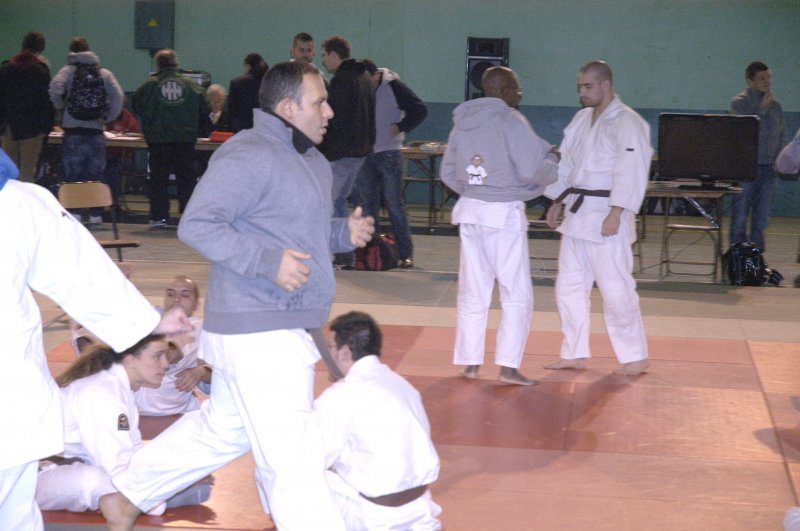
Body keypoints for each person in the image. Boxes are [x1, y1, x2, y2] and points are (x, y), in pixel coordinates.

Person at [100, 61, 374, 531]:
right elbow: (198, 224)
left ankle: (127, 494)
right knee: (293, 459)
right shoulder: (249, 153)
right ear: (288, 107)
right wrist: (266, 262)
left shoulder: (311, 160)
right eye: (319, 102)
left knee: (224, 430)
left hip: (279, 322)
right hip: (259, 327)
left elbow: (295, 232)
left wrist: (341, 233)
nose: (329, 111)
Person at [0, 146, 190, 531]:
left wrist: (147, 326)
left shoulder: (14, 203)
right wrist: (146, 325)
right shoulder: (16, 204)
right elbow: (78, 269)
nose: (163, 364)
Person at [441, 66, 558, 386]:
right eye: (517, 89)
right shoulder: (510, 120)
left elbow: (448, 172)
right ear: (505, 90)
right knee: (515, 292)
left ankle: (470, 363)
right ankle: (508, 367)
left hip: (469, 212)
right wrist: (553, 167)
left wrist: (475, 191)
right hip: (502, 214)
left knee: (473, 290)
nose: (519, 95)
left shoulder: (461, 123)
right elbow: (532, 169)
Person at [543, 60, 651, 375]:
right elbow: (566, 164)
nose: (582, 92)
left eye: (588, 86)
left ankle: (635, 355)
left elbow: (632, 170)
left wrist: (617, 211)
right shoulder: (580, 119)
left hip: (607, 213)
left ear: (606, 84)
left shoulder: (627, 122)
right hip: (577, 214)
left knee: (615, 289)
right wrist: (557, 200)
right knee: (568, 288)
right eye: (580, 87)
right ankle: (574, 352)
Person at [35, 336, 211, 514]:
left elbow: (134, 453)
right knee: (97, 482)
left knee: (141, 467)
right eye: (157, 356)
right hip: (30, 477)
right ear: (131, 360)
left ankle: (161, 495)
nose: (165, 364)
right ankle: (164, 499)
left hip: (65, 467)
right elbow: (115, 469)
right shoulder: (102, 393)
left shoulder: (122, 390)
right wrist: (173, 484)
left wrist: (177, 472)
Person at [316, 311, 442, 530]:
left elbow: (312, 458)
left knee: (296, 469)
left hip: (373, 516)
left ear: (345, 352)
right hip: (420, 508)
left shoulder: (341, 395)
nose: (327, 355)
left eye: (330, 347)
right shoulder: (402, 384)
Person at [354, 59, 428, 268]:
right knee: (367, 205)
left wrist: (401, 126)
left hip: (389, 152)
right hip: (366, 153)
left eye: (366, 81)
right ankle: (371, 253)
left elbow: (420, 109)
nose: (364, 86)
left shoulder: (394, 86)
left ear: (375, 75)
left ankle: (405, 254)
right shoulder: (362, 89)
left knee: (394, 204)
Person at [131, 48, 211, 230]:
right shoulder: (190, 84)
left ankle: (159, 217)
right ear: (176, 63)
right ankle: (188, 216)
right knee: (187, 180)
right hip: (185, 139)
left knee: (159, 180)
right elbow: (206, 106)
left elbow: (136, 104)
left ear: (158, 64)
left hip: (158, 140)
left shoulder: (149, 85)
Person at [49, 36, 124, 223]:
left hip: (73, 130)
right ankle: (95, 214)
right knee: (95, 174)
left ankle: (74, 213)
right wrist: (108, 117)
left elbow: (54, 88)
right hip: (96, 130)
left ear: (71, 51)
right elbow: (118, 95)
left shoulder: (67, 71)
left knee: (73, 174)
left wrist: (61, 106)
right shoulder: (103, 73)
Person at [319, 36, 376, 268]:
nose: (323, 60)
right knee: (340, 201)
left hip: (341, 152)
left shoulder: (342, 80)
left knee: (330, 202)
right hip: (361, 151)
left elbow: (335, 120)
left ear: (334, 55)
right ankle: (345, 254)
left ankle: (341, 254)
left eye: (324, 55)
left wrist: (322, 150)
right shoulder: (364, 77)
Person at [728, 61, 787, 253]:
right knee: (740, 218)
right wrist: (762, 109)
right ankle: (738, 260)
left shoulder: (776, 106)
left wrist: (781, 160)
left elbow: (781, 135)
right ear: (750, 81)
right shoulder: (739, 103)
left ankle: (756, 260)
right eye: (762, 78)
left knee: (761, 219)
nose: (767, 81)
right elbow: (745, 131)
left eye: (768, 77)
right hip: (746, 169)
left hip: (769, 169)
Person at [0, 31, 54, 182]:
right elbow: (46, 102)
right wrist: (46, 128)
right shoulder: (41, 71)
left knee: (8, 173)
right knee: (27, 174)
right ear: (40, 48)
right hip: (32, 129)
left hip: (10, 128)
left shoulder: (5, 69)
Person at [221, 52, 268, 133]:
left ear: (248, 66)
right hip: (263, 129)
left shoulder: (236, 83)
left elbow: (231, 111)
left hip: (241, 129)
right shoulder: (269, 82)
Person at [103, 104, 140, 206]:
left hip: (121, 157)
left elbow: (136, 133)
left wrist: (123, 134)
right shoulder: (102, 114)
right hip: (102, 156)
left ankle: (113, 203)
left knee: (112, 170)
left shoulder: (126, 116)